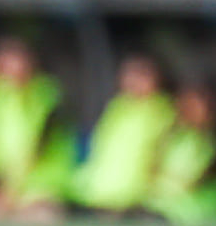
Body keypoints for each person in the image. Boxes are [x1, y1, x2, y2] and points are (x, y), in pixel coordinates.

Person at [0, 36, 74, 220]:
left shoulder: (47, 95)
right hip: (8, 187)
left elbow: (36, 147)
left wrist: (11, 190)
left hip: (44, 188)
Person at [70, 53, 175, 215]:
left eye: (142, 74)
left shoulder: (163, 113)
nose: (134, 81)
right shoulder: (117, 108)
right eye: (130, 74)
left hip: (138, 202)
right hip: (100, 196)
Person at [148, 80, 216, 226]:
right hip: (166, 213)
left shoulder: (214, 141)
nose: (190, 110)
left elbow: (201, 177)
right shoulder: (173, 137)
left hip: (199, 217)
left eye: (196, 106)